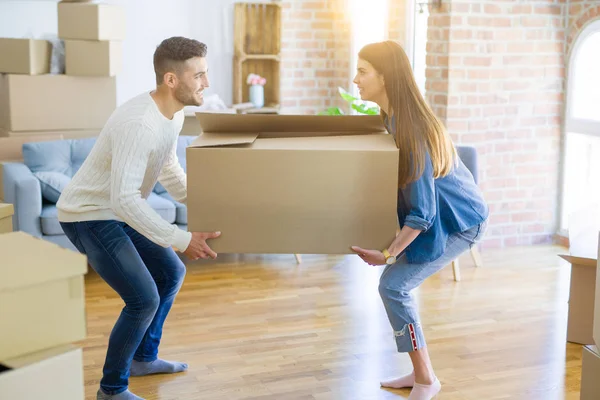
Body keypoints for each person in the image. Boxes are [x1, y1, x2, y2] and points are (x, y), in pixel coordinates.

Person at [57, 37, 220, 400]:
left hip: (116, 209)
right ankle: (111, 389)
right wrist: (181, 239)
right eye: (200, 75)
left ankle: (143, 358)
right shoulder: (139, 123)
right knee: (142, 298)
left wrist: (208, 206)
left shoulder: (174, 114)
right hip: (88, 215)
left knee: (171, 272)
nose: (206, 83)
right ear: (171, 80)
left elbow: (167, 166)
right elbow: (125, 199)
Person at [350, 41, 489, 400]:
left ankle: (427, 379)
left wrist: (390, 253)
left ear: (385, 77)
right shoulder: (390, 118)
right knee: (393, 287)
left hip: (460, 222)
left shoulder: (411, 131)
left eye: (362, 71)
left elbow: (423, 212)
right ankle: (418, 372)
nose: (355, 79)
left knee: (393, 286)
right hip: (438, 215)